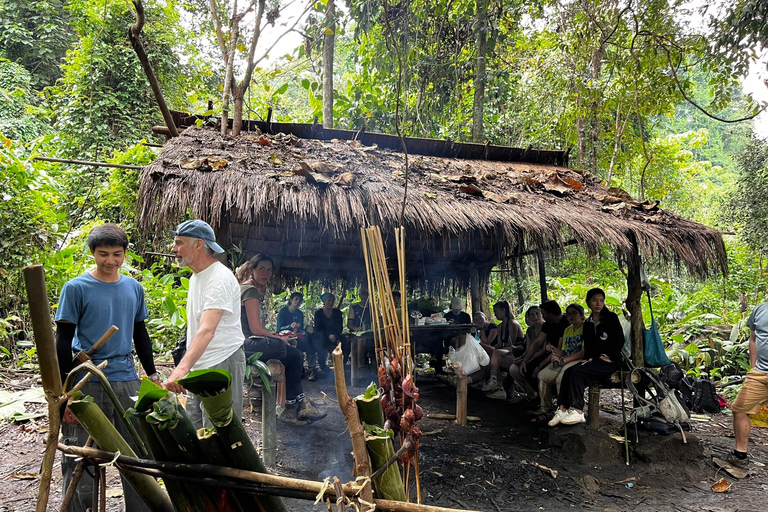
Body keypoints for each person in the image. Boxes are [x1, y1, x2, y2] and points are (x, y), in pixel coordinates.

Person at [55, 223, 158, 512]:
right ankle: (79, 509)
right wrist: (67, 393)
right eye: (103, 254)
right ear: (92, 253)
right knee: (81, 454)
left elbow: (140, 334)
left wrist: (152, 374)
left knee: (137, 452)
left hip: (126, 378)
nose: (110, 261)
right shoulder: (76, 288)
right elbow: (62, 342)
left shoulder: (133, 288)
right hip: (87, 380)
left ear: (125, 254)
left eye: (116, 254)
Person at [164, 219, 246, 429]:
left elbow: (208, 329)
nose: (174, 249)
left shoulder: (219, 278)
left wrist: (181, 369)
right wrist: (188, 367)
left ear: (199, 244)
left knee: (220, 431)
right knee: (196, 428)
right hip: (200, 363)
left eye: (179, 243)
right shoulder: (196, 277)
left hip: (221, 361)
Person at [237, 255, 325, 425]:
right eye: (261, 269)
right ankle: (293, 408)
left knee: (294, 354)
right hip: (245, 344)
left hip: (242, 343)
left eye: (269, 270)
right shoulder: (250, 291)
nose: (266, 273)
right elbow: (256, 329)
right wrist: (280, 339)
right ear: (251, 270)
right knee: (285, 349)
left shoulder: (241, 288)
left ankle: (296, 406)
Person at [549, 288, 624, 426]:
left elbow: (620, 340)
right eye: (595, 300)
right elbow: (589, 344)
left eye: (601, 300)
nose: (598, 303)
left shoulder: (611, 318)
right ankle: (562, 409)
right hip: (595, 360)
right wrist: (589, 357)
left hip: (611, 362)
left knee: (578, 372)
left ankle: (578, 411)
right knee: (568, 372)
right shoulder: (588, 323)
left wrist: (611, 356)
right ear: (588, 302)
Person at [727, 302, 768, 468]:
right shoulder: (760, 309)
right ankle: (740, 455)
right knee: (740, 408)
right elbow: (753, 339)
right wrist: (753, 367)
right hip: (760, 373)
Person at [532, 304, 585, 422]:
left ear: (581, 315)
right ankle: (547, 410)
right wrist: (553, 351)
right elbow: (563, 351)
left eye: (574, 313)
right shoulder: (567, 330)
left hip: (577, 360)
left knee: (562, 378)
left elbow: (583, 353)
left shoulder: (586, 328)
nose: (570, 316)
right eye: (569, 313)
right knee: (542, 375)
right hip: (565, 359)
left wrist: (563, 360)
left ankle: (564, 410)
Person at [509, 300, 568, 400]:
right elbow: (537, 343)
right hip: (549, 354)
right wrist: (524, 360)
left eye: (543, 314)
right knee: (526, 368)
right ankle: (541, 398)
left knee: (538, 372)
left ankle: (551, 399)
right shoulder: (548, 324)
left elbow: (559, 350)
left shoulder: (566, 323)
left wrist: (539, 366)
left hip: (560, 356)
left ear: (550, 314)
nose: (542, 317)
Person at [481, 302, 528, 399]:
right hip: (505, 352)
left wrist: (496, 351)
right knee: (490, 356)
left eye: (496, 311)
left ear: (503, 310)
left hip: (515, 354)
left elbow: (512, 345)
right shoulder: (500, 326)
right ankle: (499, 388)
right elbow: (499, 345)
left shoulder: (513, 324)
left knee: (495, 355)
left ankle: (494, 381)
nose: (495, 314)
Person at [311, 292, 344, 380]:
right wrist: (328, 335)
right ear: (324, 302)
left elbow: (340, 327)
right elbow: (318, 328)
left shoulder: (337, 313)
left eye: (332, 301)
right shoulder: (319, 313)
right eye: (328, 300)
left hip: (335, 336)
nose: (330, 302)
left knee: (345, 342)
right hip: (323, 336)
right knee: (319, 341)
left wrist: (335, 336)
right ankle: (323, 366)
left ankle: (342, 366)